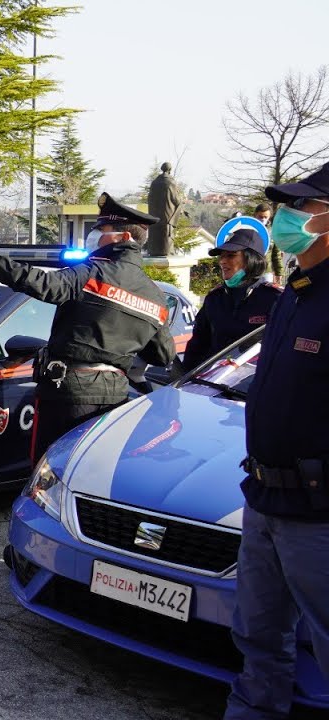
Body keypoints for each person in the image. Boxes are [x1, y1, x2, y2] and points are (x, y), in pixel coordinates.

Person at [0, 192, 176, 462]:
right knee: (93, 471)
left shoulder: (91, 273)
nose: (94, 236)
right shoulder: (155, 296)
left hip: (68, 395)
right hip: (114, 397)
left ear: (123, 237)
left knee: (51, 470)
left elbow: (38, 283)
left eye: (102, 230)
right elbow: (163, 355)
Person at [224, 164, 329, 719]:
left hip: (317, 512)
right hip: (265, 498)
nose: (287, 217)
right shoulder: (296, 292)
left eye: (302, 207)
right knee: (258, 638)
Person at [181, 228, 281, 372]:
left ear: (252, 259)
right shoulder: (214, 299)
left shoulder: (274, 299)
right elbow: (197, 347)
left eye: (231, 256)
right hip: (211, 380)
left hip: (251, 382)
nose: (222, 261)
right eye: (221, 256)